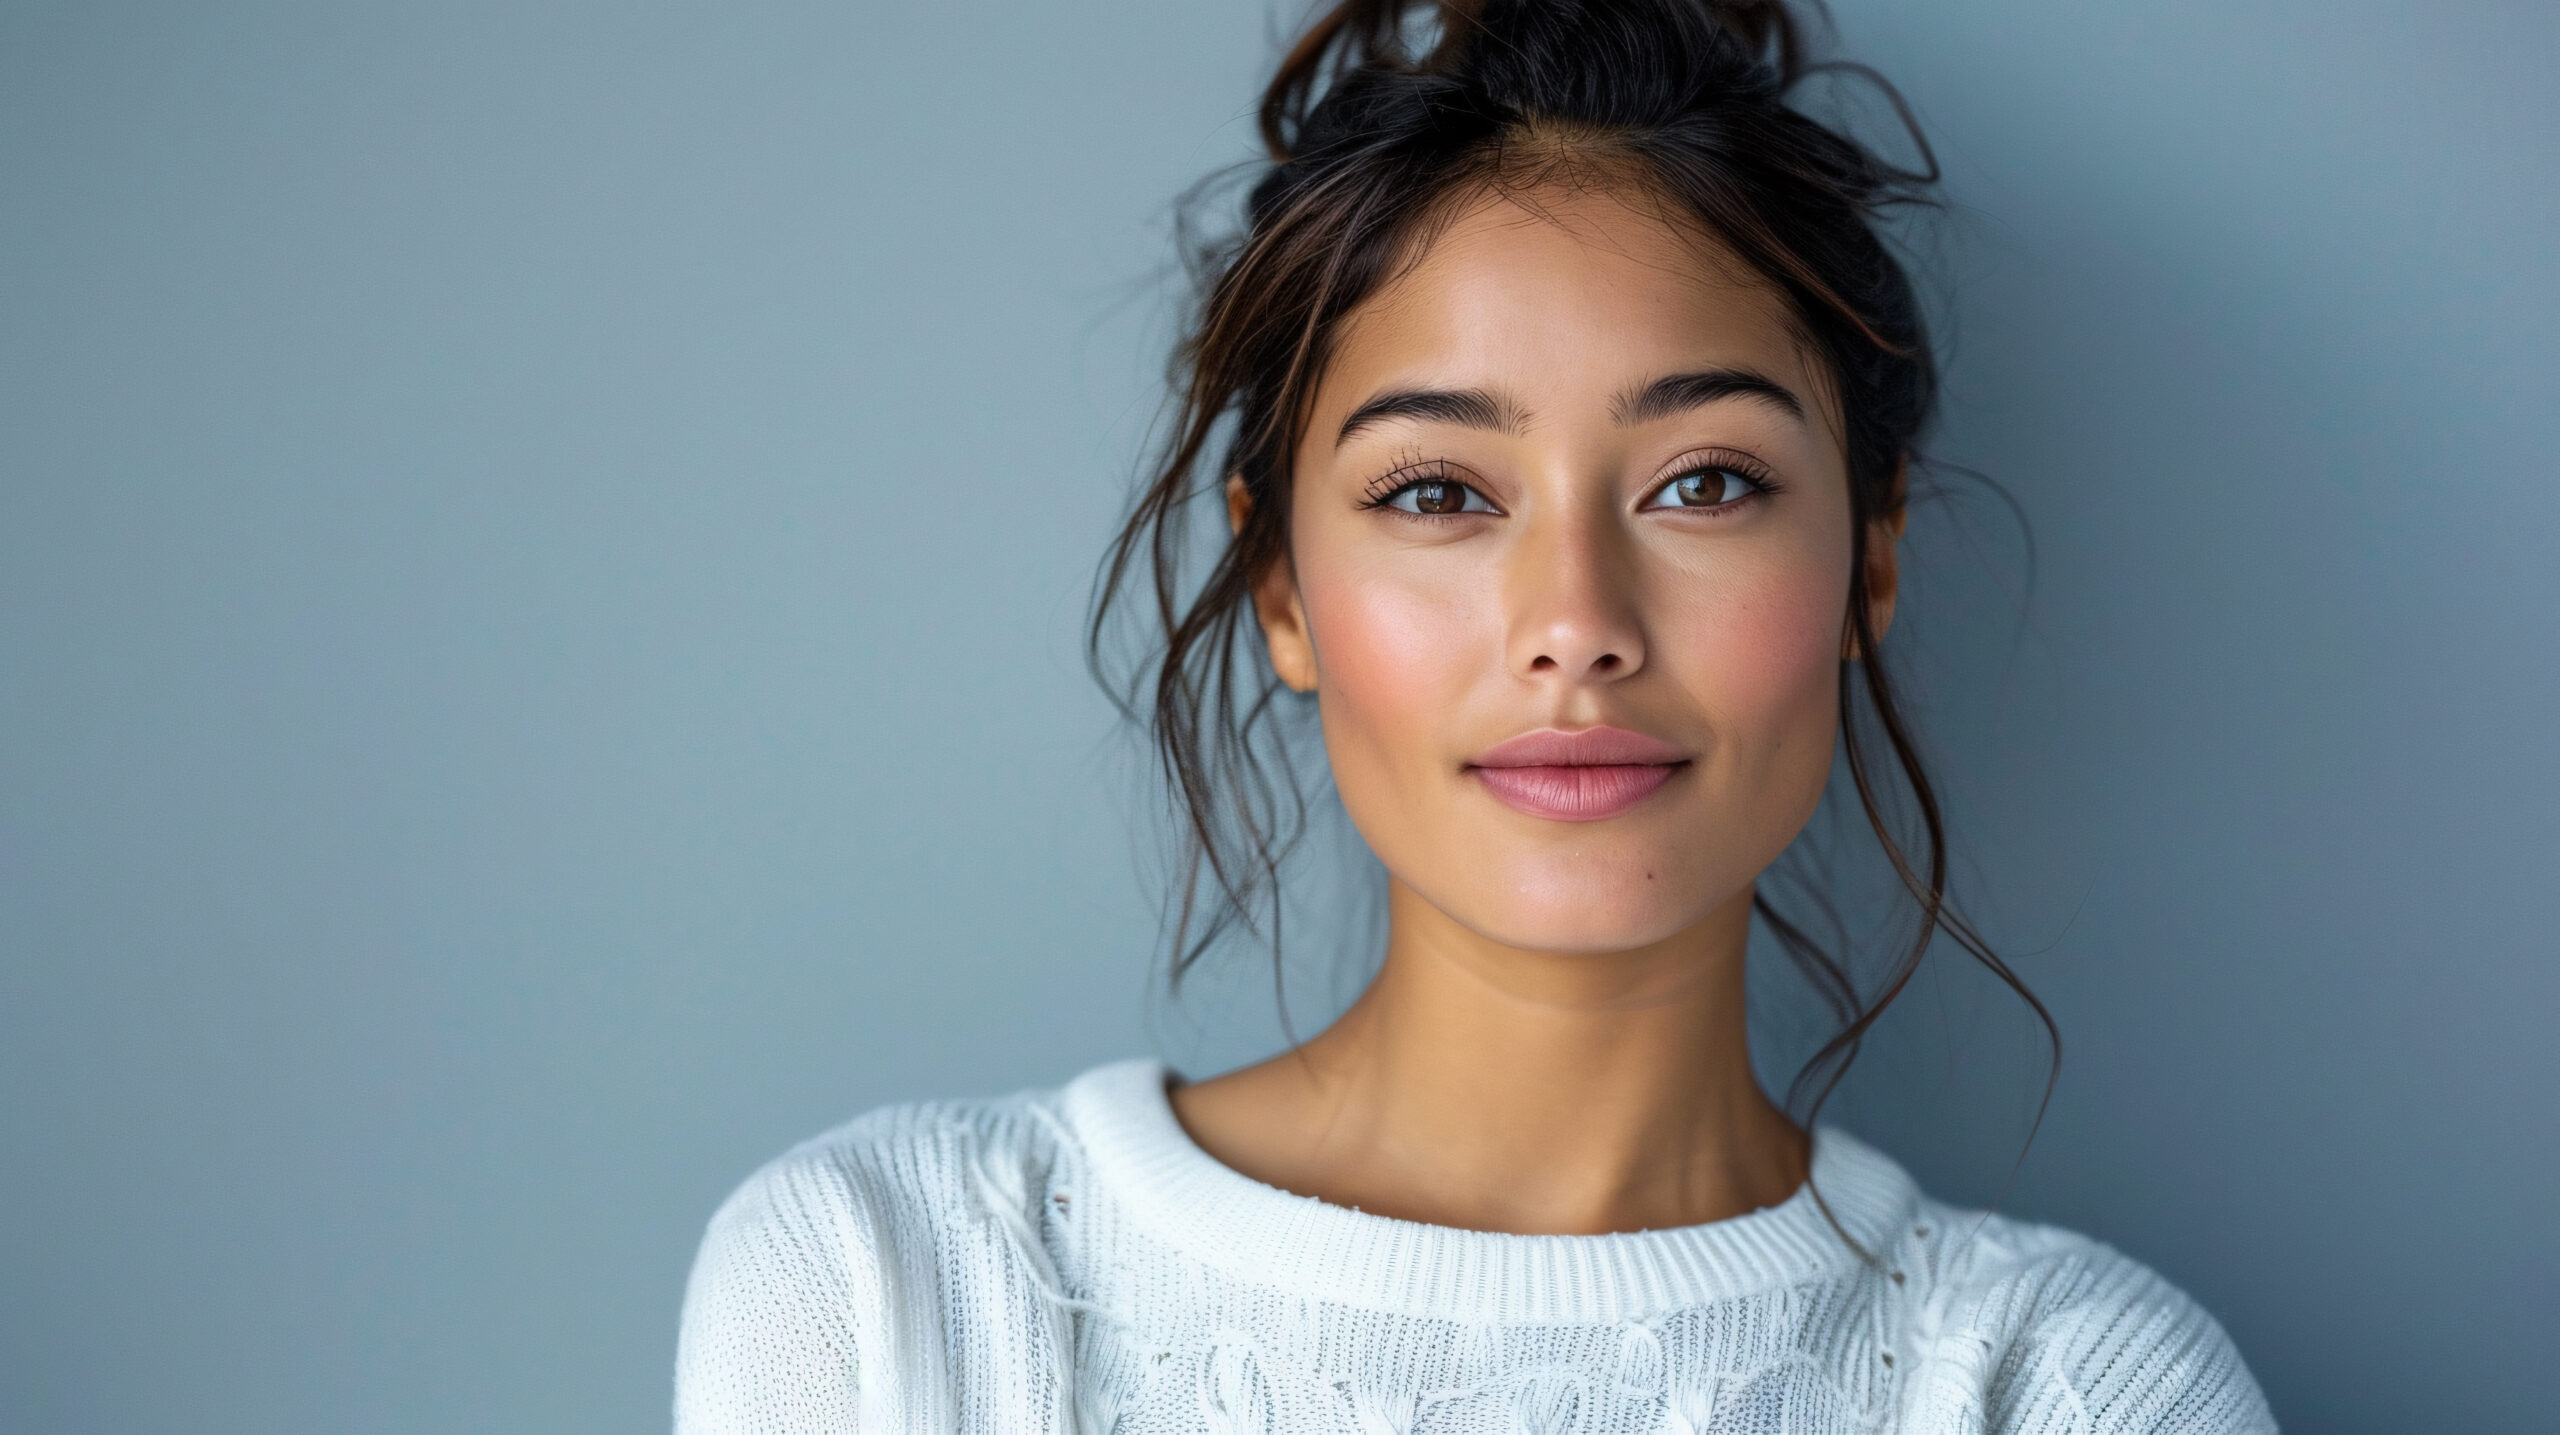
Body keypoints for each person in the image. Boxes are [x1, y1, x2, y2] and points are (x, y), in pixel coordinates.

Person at [673, 2, 2274, 1430]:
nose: (1575, 625)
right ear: (1282, 587)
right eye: (1438, 492)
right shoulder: (885, 1295)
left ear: (1872, 559)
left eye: (1703, 483)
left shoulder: (2073, 1392)